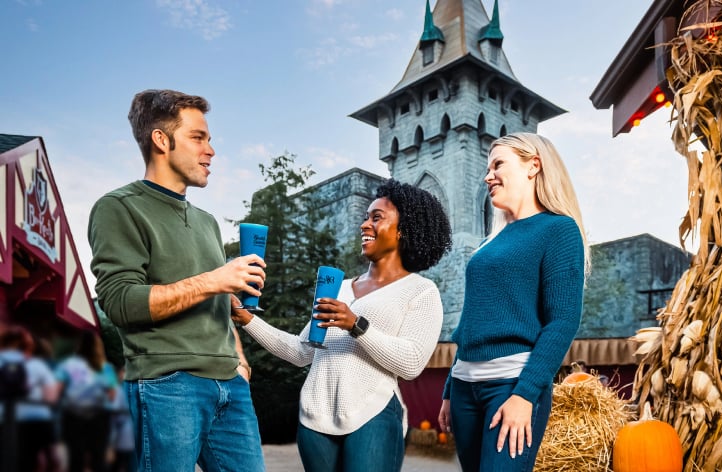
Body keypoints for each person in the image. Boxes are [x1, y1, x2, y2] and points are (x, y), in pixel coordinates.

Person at [88, 89, 266, 471]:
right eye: (198, 137)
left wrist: (239, 361)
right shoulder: (118, 207)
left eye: (209, 139)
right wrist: (214, 280)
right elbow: (120, 302)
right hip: (167, 387)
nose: (211, 150)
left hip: (230, 388)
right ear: (161, 140)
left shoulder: (206, 222)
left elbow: (218, 302)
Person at [232, 179, 452, 472]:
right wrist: (248, 319)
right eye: (365, 217)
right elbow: (301, 351)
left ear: (403, 230)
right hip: (315, 418)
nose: (365, 225)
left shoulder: (420, 291)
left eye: (377, 217)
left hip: (372, 415)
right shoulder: (339, 288)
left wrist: (356, 325)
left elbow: (411, 363)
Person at [438, 132, 590, 471]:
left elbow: (563, 321)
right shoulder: (492, 241)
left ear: (533, 165)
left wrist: (525, 395)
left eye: (497, 165)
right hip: (464, 387)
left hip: (510, 384)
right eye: (488, 167)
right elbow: (473, 321)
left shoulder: (559, 230)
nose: (487, 176)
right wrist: (450, 387)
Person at [0, 325, 61, 472]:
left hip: (4, 421)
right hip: (37, 419)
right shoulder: (37, 365)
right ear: (28, 346)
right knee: (37, 462)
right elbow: (51, 397)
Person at [55, 331, 116, 472]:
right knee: (98, 459)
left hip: (72, 416)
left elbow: (57, 391)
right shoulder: (105, 367)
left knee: (75, 458)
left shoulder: (68, 364)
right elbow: (112, 395)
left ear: (79, 345)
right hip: (99, 417)